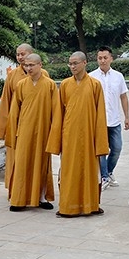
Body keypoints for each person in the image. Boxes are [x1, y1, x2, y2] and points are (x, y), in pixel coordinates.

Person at [46, 52, 109, 217]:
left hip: (88, 136)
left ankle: (92, 204)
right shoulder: (65, 85)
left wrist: (100, 141)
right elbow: (59, 114)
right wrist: (56, 140)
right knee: (68, 171)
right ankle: (68, 206)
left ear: (84, 63)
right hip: (70, 136)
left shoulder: (95, 85)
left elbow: (100, 115)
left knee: (91, 172)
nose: (72, 67)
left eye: (75, 63)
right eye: (70, 64)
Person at [5, 54, 59, 212]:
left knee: (42, 164)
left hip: (43, 131)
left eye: (31, 65)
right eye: (26, 65)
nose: (28, 68)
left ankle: (41, 198)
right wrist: (13, 132)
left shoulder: (50, 85)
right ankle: (19, 199)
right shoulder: (21, 85)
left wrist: (54, 134)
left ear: (40, 65)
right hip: (24, 131)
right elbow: (14, 111)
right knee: (21, 163)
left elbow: (56, 112)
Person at [0, 43, 45, 197]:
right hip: (17, 125)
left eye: (23, 54)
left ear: (31, 54)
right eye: (18, 54)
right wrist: (3, 128)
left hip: (38, 125)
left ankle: (39, 194)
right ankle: (16, 192)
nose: (20, 57)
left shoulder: (44, 76)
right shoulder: (13, 76)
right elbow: (6, 102)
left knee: (39, 160)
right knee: (17, 160)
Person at [89, 46, 129, 190]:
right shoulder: (91, 77)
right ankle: (104, 176)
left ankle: (109, 171)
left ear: (111, 59)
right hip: (98, 121)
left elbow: (124, 97)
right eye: (100, 58)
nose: (102, 60)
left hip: (114, 120)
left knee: (117, 148)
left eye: (105, 57)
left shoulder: (118, 76)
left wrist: (127, 117)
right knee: (101, 150)